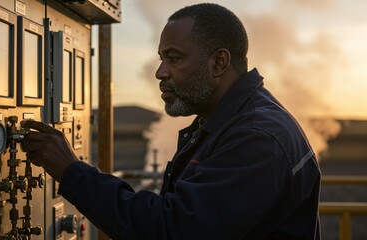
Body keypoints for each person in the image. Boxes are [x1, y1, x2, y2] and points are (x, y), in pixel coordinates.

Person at [22, 3, 321, 239]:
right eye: (161, 58)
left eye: (174, 59)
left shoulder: (257, 138)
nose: (161, 72)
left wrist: (73, 173)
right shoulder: (228, 121)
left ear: (219, 62)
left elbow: (173, 230)